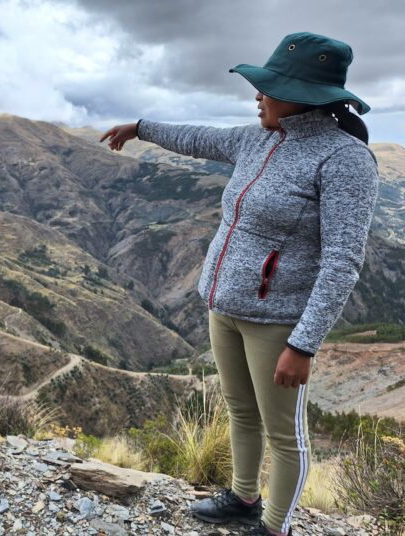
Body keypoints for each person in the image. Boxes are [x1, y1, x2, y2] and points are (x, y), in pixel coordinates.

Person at [98, 32, 380, 536]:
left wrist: (303, 342)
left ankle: (275, 526)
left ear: (304, 97)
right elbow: (197, 137)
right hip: (223, 306)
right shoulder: (257, 138)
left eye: (267, 89)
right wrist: (140, 128)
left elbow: (342, 261)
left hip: (278, 322)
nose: (258, 96)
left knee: (284, 433)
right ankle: (243, 497)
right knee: (238, 409)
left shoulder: (344, 160)